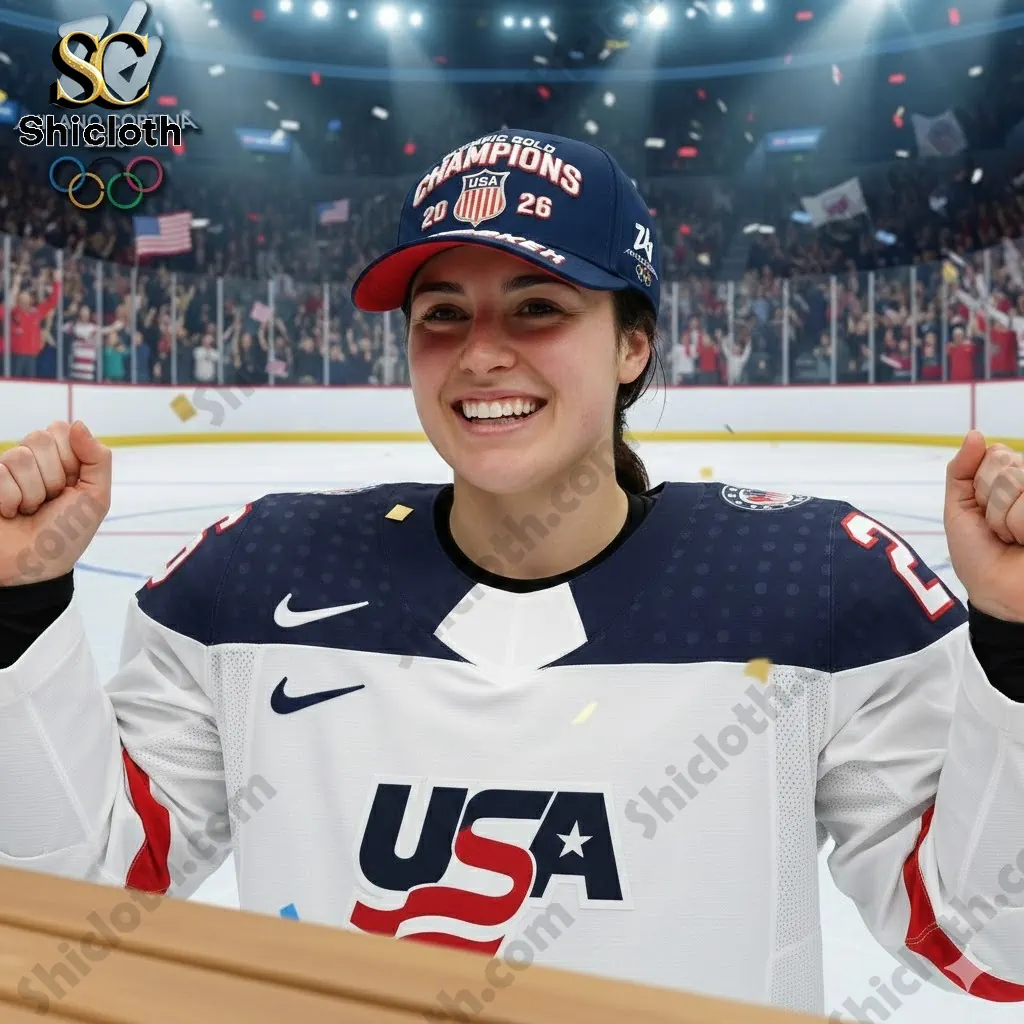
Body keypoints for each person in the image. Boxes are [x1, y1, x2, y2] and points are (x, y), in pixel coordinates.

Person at [1, 130, 1024, 1018]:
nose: (480, 352)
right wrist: (23, 606)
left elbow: (989, 947)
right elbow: (76, 897)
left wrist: (1015, 642)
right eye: (440, 314)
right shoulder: (252, 576)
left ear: (633, 344)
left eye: (536, 306)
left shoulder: (807, 586)